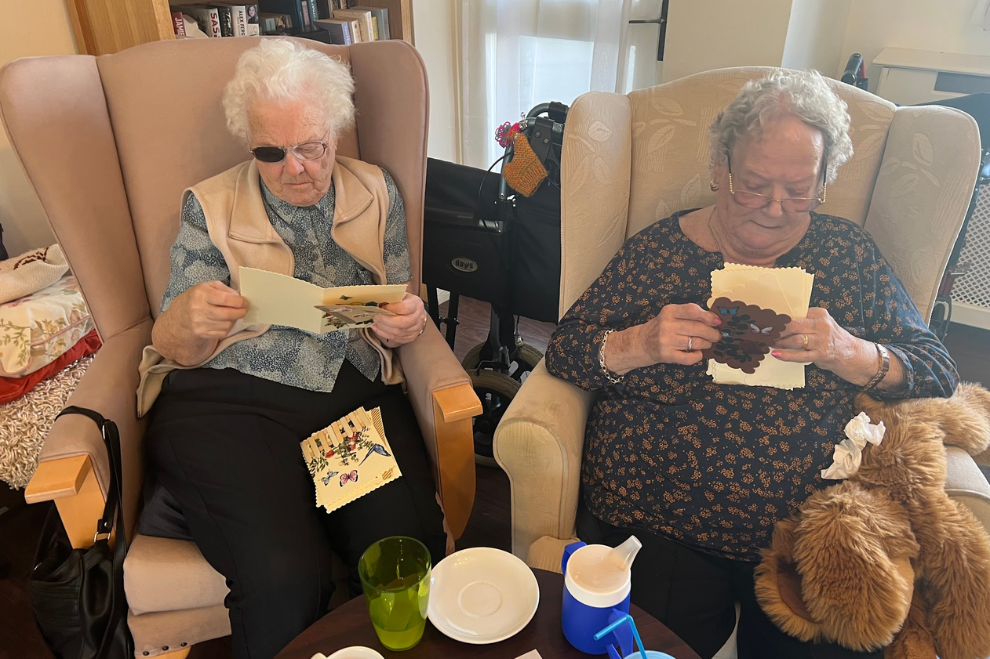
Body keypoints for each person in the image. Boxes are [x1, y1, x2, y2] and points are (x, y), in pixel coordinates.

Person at [544, 70, 958, 659]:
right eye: (755, 185)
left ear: (823, 182)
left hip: (809, 534)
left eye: (799, 190)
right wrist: (641, 342)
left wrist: (849, 351)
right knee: (647, 649)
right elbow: (565, 349)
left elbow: (936, 370)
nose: (775, 209)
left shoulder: (847, 254)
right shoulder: (659, 252)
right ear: (721, 167)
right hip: (661, 519)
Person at [139, 39, 446, 659]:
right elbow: (170, 343)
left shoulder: (377, 192)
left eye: (311, 147)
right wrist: (186, 318)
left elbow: (400, 301)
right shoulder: (208, 206)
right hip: (228, 407)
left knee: (400, 556)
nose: (294, 169)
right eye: (271, 152)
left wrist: (404, 322)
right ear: (249, 144)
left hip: (344, 408)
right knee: (285, 578)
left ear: (336, 130)